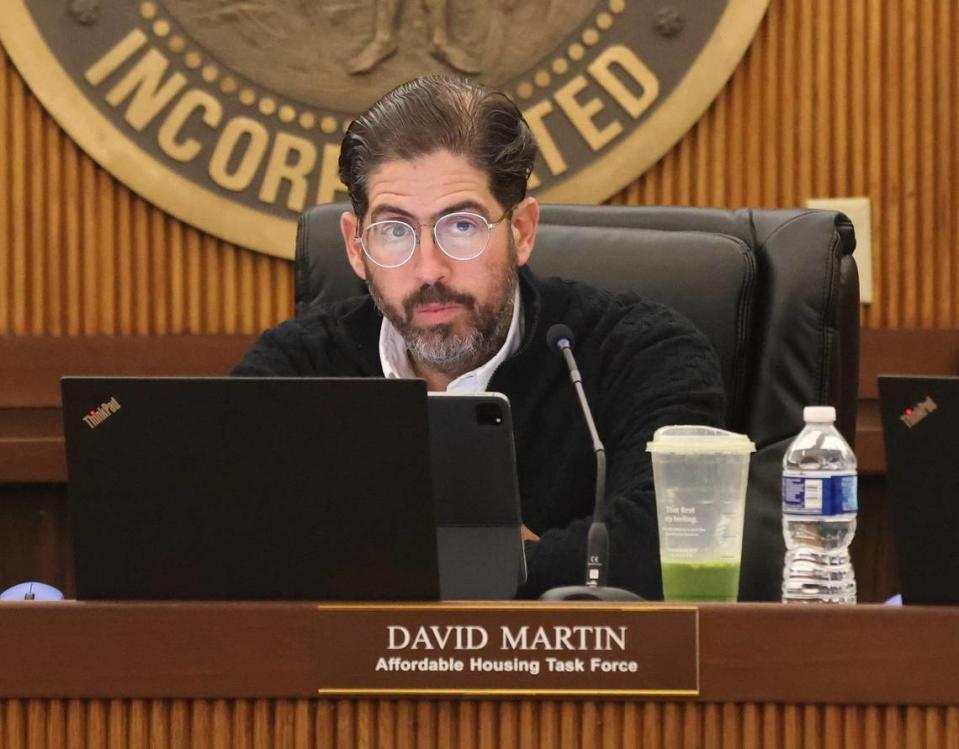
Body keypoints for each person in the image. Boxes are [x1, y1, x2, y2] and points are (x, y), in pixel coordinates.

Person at [232, 75, 726, 599]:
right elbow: (227, 542)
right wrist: (526, 559)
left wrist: (384, 561)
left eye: (461, 226)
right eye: (395, 231)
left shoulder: (641, 352)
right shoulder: (294, 369)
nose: (428, 270)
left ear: (522, 231)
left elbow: (675, 545)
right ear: (356, 247)